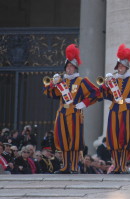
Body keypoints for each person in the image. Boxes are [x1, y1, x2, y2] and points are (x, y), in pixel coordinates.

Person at [43, 44, 100, 174]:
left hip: (75, 113)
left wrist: (83, 103)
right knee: (63, 140)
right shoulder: (61, 82)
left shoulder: (81, 81)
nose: (69, 69)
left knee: (74, 141)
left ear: (75, 68)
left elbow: (95, 93)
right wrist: (53, 83)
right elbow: (49, 94)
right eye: (67, 66)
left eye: (71, 66)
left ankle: (74, 166)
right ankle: (65, 166)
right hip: (62, 113)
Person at [99, 44, 130, 173]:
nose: (120, 69)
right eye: (119, 66)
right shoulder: (112, 80)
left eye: (122, 66)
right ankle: (116, 165)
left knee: (124, 139)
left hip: (126, 111)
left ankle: (122, 165)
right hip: (114, 110)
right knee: (113, 138)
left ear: (126, 67)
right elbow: (104, 94)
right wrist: (105, 85)